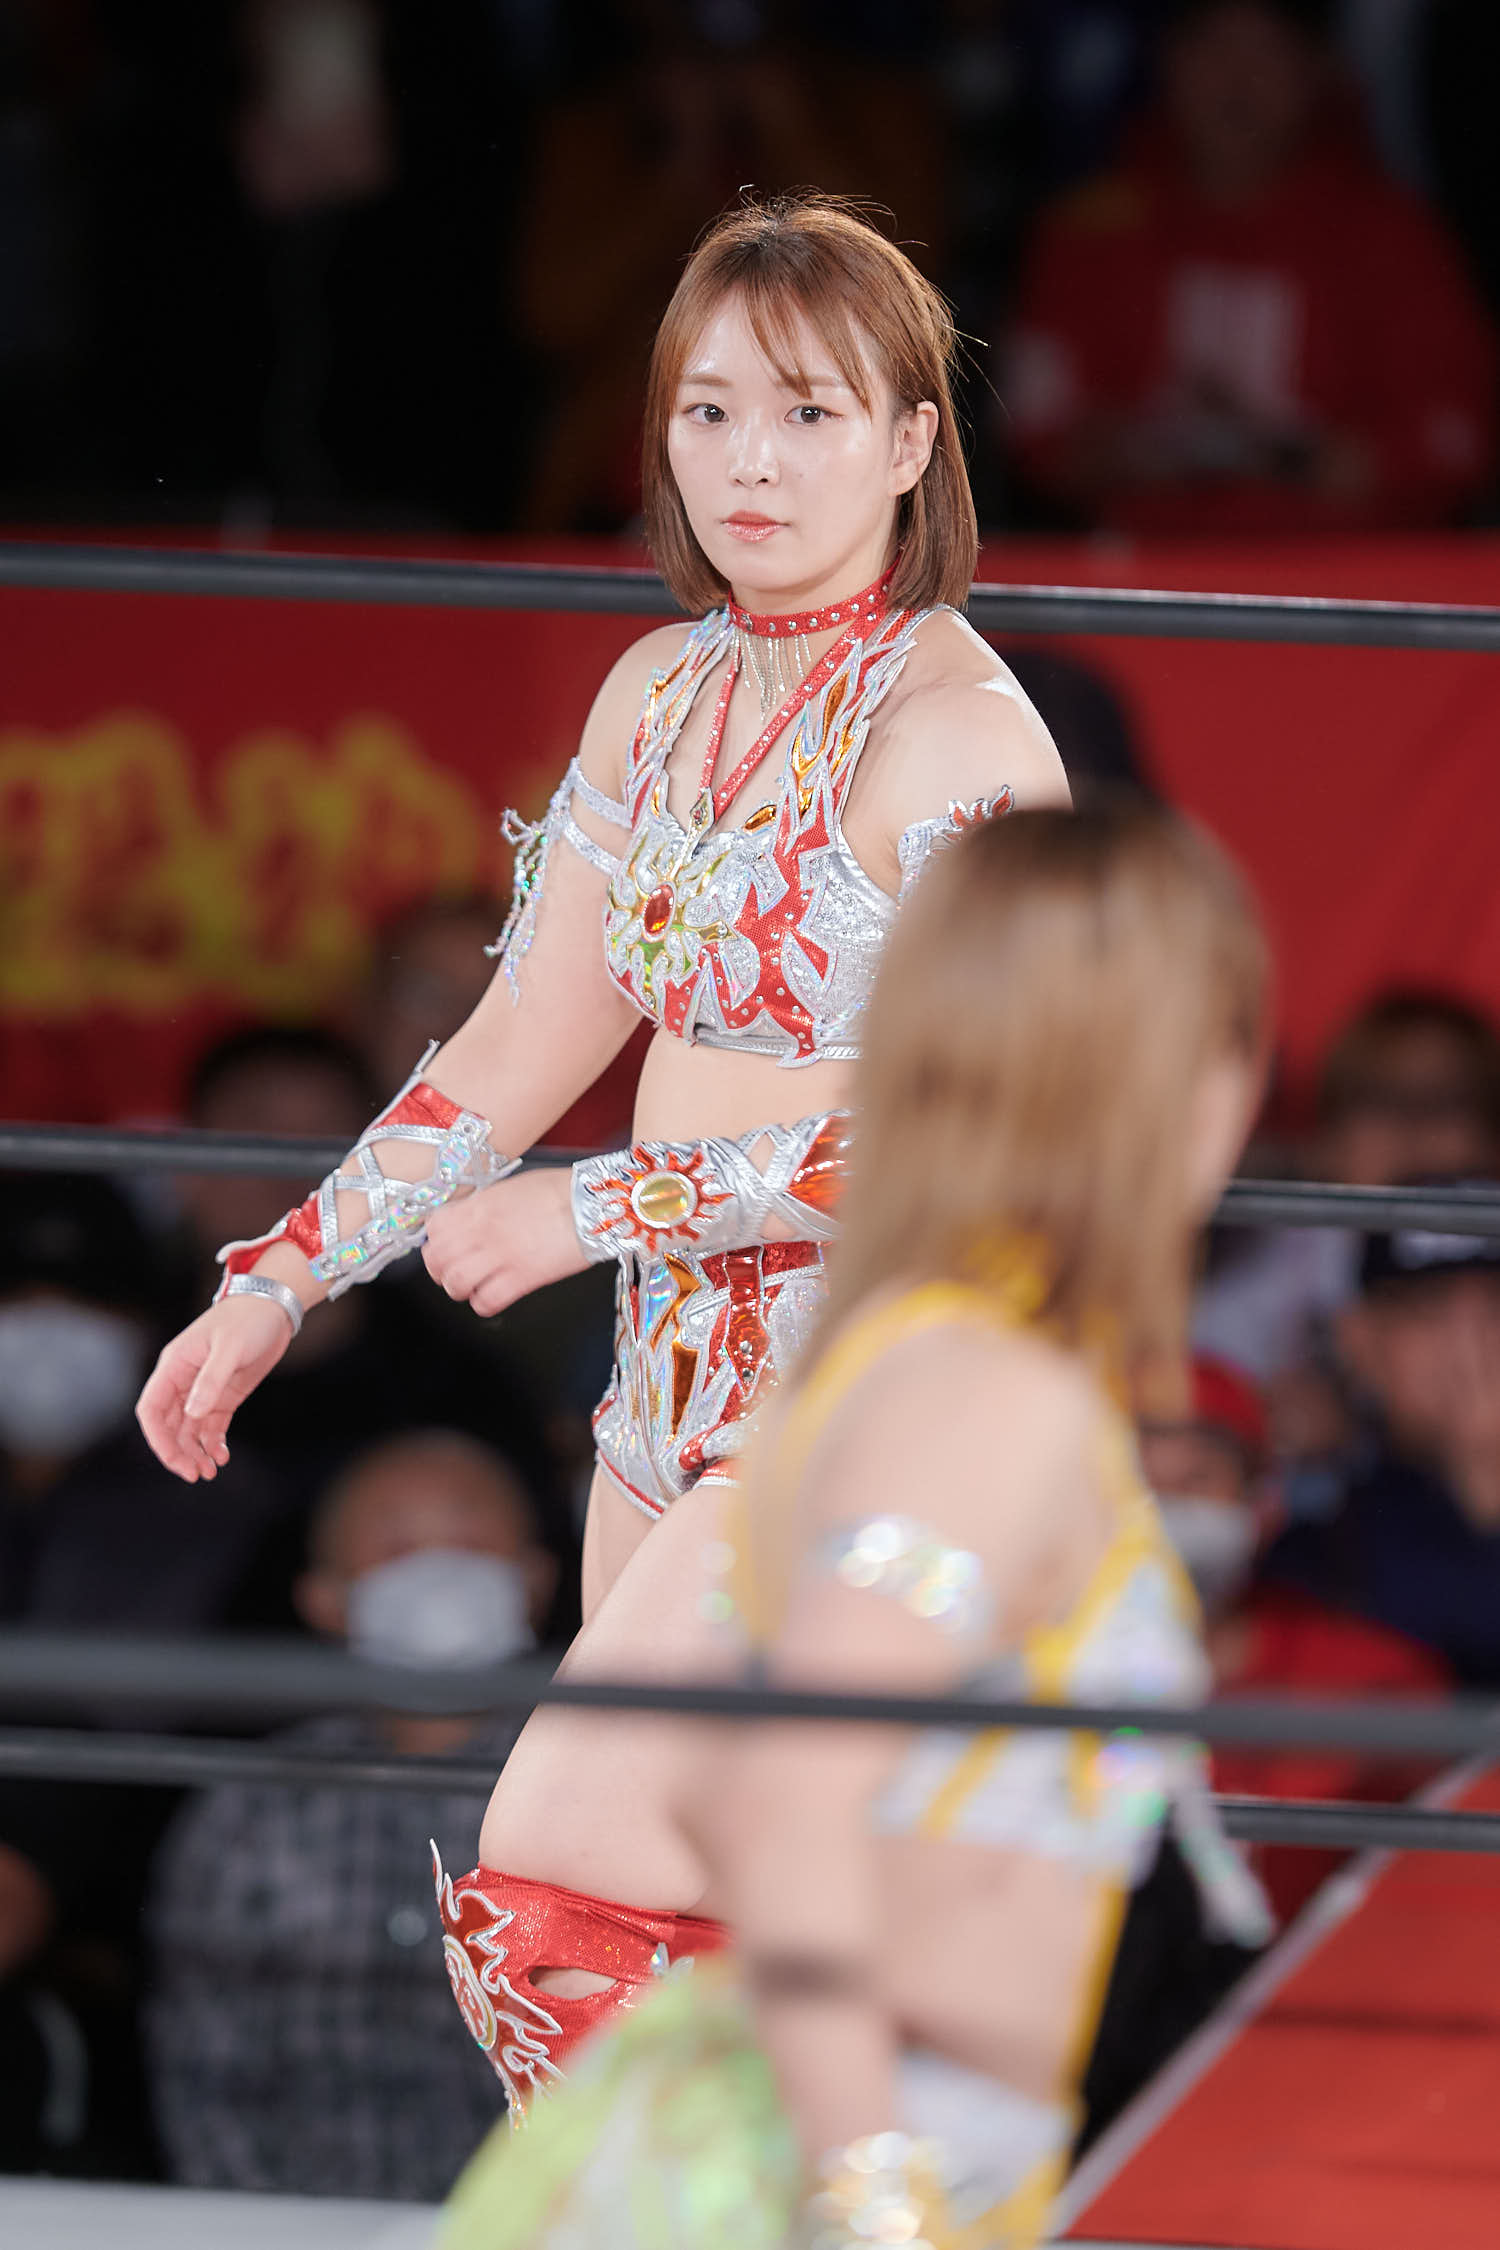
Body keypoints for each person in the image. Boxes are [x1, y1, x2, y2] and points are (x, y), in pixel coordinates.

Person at [137, 192, 1071, 2091]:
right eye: (710, 410)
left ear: (912, 442)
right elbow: (513, 1045)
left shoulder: (965, 738)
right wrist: (280, 1279)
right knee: (713, 1936)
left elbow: (991, 1128)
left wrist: (606, 1205)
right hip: (668, 1375)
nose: (751, 461)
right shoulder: (660, 691)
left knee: (556, 1878)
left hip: (877, 1370)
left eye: (810, 413)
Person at [436, 802, 1275, 2249]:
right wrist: (874, 2201)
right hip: (822, 2167)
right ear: (1188, 1074)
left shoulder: (935, 1349)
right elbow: (777, 1794)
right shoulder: (987, 1386)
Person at [145, 1429, 557, 2200]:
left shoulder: (597, 1783)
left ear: (536, 1578)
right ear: (322, 1600)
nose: (438, 1571)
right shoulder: (254, 1803)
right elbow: (203, 2061)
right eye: (398, 1547)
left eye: (469, 1541)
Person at [1004, 0, 1496, 533]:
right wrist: (1132, 450)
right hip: (1140, 563)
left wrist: (1308, 460)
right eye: (1214, 47)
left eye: (1267, 51)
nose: (1238, 80)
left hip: (1343, 565)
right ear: (1167, 60)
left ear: (1315, 71)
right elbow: (1034, 431)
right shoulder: (1092, 232)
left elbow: (1458, 439)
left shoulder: (1394, 239)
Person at [1140, 1353, 1447, 1924]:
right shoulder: (1030, 1681)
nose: (1165, 1510)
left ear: (1264, 1504)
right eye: (1139, 1482)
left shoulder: (1373, 1683)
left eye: (1197, 1481)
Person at [1193, 988, 1500, 1498]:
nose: (1412, 1128)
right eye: (1379, 1099)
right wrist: (1262, 1421)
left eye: (1444, 1100)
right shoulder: (1258, 1266)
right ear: (1326, 1139)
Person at [1264, 1212, 1500, 1687]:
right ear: (1359, 1340)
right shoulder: (1311, 1558)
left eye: (1498, 1304)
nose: (1471, 1345)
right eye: (1430, 1307)